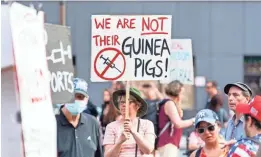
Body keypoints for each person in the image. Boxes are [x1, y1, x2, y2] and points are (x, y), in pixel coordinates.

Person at [56, 78, 103, 157]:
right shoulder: (52, 125)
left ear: (86, 99)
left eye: (80, 97)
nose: (75, 100)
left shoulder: (93, 123)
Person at [103, 87, 156, 157]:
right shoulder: (111, 126)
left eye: (129, 102)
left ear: (137, 105)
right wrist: (120, 142)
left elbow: (148, 150)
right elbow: (108, 155)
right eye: (121, 102)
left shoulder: (147, 124)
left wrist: (133, 132)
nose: (124, 105)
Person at [157, 80, 195, 157]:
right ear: (176, 92)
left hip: (171, 143)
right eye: (182, 93)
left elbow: (179, 115)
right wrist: (193, 120)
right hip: (168, 142)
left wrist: (178, 102)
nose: (183, 96)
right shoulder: (169, 104)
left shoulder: (170, 103)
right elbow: (178, 124)